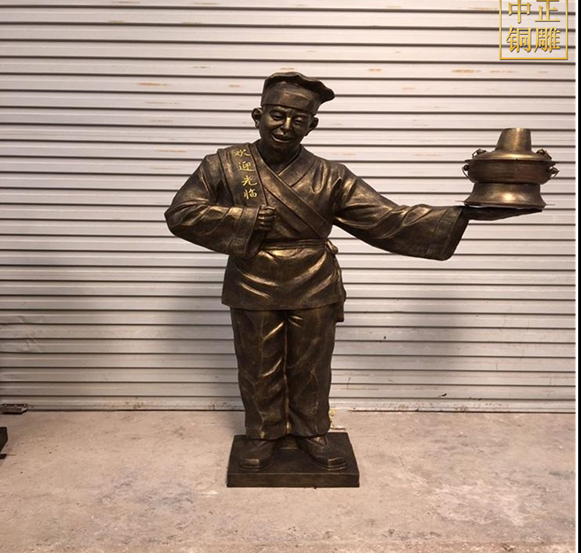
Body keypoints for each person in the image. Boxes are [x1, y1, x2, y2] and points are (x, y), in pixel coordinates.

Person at [165, 72, 533, 471]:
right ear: (258, 115)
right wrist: (245, 219)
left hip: (313, 279)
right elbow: (182, 213)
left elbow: (386, 218)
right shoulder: (223, 165)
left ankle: (312, 431)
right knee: (258, 362)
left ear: (313, 125)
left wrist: (465, 215)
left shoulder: (330, 175)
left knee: (311, 364)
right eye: (277, 115)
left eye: (299, 119)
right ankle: (262, 433)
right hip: (252, 279)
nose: (286, 126)